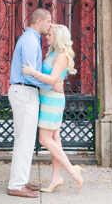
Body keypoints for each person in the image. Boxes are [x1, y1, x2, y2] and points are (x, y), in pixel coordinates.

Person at [7, 8, 64, 198]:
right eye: (49, 21)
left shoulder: (30, 39)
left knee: (25, 140)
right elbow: (28, 75)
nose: (50, 25)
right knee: (24, 140)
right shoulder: (31, 41)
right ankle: (16, 185)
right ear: (39, 21)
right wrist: (51, 85)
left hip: (25, 92)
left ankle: (20, 180)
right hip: (24, 91)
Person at [22, 24, 85, 193]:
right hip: (47, 98)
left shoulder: (62, 56)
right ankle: (56, 178)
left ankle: (73, 171)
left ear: (58, 37)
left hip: (52, 101)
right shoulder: (54, 53)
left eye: (50, 35)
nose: (47, 36)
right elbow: (53, 80)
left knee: (44, 139)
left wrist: (32, 72)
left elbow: (52, 79)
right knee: (55, 140)